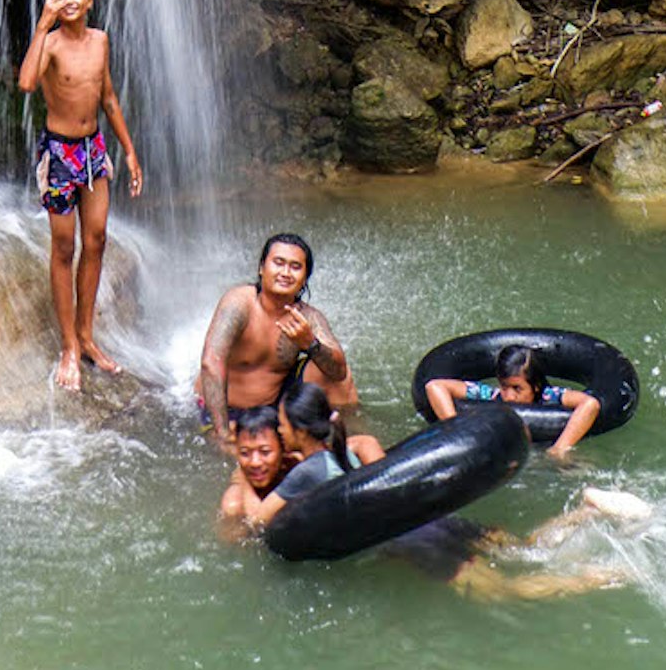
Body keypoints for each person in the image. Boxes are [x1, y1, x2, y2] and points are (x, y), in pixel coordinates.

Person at [264, 380, 627, 598]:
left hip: (417, 544)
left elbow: (254, 524)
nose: (278, 431)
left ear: (298, 429)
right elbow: (388, 474)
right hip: (436, 521)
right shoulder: (356, 444)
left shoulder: (306, 473)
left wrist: (240, 487)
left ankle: (601, 578)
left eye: (281, 425)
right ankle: (588, 511)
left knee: (506, 591)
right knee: (524, 547)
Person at [17, 0, 142, 391]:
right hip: (59, 153)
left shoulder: (101, 41)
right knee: (63, 247)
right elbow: (26, 83)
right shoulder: (49, 44)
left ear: (90, 2)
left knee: (97, 239)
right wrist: (42, 23)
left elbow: (107, 97)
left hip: (94, 150)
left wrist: (129, 150)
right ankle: (68, 345)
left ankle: (87, 336)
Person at [198, 234, 383, 463]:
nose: (286, 273)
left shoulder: (308, 317)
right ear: (261, 268)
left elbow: (339, 371)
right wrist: (222, 433)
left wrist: (310, 344)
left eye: (295, 267)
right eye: (279, 263)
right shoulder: (240, 302)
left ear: (305, 278)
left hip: (275, 408)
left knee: (335, 377)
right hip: (228, 409)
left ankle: (350, 440)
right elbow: (211, 361)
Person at [424, 345, 602, 461]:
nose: (509, 397)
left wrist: (560, 447)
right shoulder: (491, 396)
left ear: (536, 386)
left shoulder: (550, 397)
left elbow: (590, 404)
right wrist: (458, 430)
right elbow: (435, 386)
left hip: (543, 452)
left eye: (517, 389)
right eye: (504, 386)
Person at [216, 406, 295, 539]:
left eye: (265, 452)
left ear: (284, 447)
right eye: (245, 453)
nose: (255, 462)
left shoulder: (297, 465)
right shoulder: (234, 506)